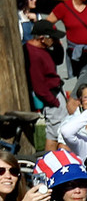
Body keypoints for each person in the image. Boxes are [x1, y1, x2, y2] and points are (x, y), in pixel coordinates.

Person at [25, 21, 69, 152]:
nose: (55, 40)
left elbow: (58, 59)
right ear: (42, 38)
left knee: (58, 131)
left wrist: (57, 43)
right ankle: (50, 160)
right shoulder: (34, 54)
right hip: (50, 94)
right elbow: (38, 84)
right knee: (55, 133)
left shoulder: (43, 49)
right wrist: (53, 101)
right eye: (52, 37)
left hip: (55, 92)